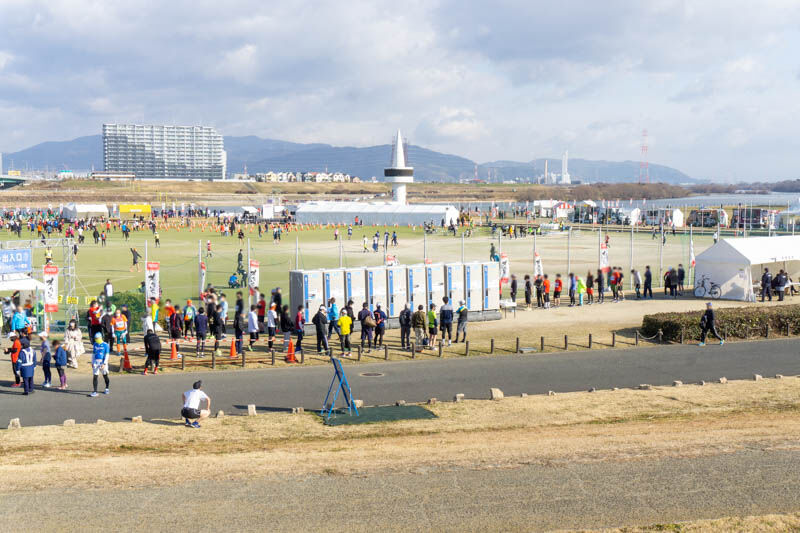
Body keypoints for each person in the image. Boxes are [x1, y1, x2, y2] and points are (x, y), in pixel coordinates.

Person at [90, 332, 110, 397]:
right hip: (96, 362)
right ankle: (95, 391)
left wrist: (104, 363)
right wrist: (92, 362)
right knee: (95, 376)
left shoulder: (106, 345)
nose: (96, 339)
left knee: (105, 376)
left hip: (103, 363)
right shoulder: (95, 344)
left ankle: (107, 388)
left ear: (101, 337)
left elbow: (107, 355)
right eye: (95, 338)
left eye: (97, 338)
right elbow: (93, 354)